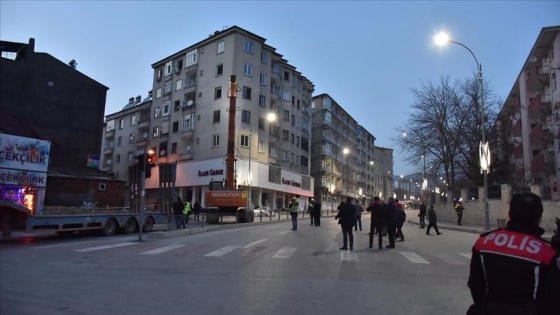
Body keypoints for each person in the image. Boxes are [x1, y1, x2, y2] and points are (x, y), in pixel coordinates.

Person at [467, 192, 560, 315]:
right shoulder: (548, 254)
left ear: (509, 214)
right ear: (539, 218)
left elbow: (475, 285)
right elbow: (554, 299)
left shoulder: (484, 243)